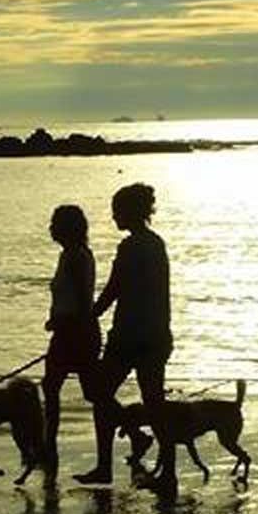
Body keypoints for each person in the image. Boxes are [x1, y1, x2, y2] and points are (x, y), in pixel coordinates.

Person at [74, 184, 167, 489]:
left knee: (99, 393)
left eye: (118, 210)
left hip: (129, 336)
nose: (114, 216)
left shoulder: (130, 247)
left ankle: (106, 464)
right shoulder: (156, 244)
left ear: (131, 212)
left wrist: (87, 318)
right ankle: (165, 467)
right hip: (155, 335)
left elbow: (114, 289)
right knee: (154, 403)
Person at [42, 204, 102, 481]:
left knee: (85, 392)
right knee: (56, 387)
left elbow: (80, 300)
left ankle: (48, 446)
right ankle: (48, 445)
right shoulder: (73, 254)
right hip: (71, 330)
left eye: (55, 224)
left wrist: (66, 324)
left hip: (75, 333)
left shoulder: (75, 257)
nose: (51, 229)